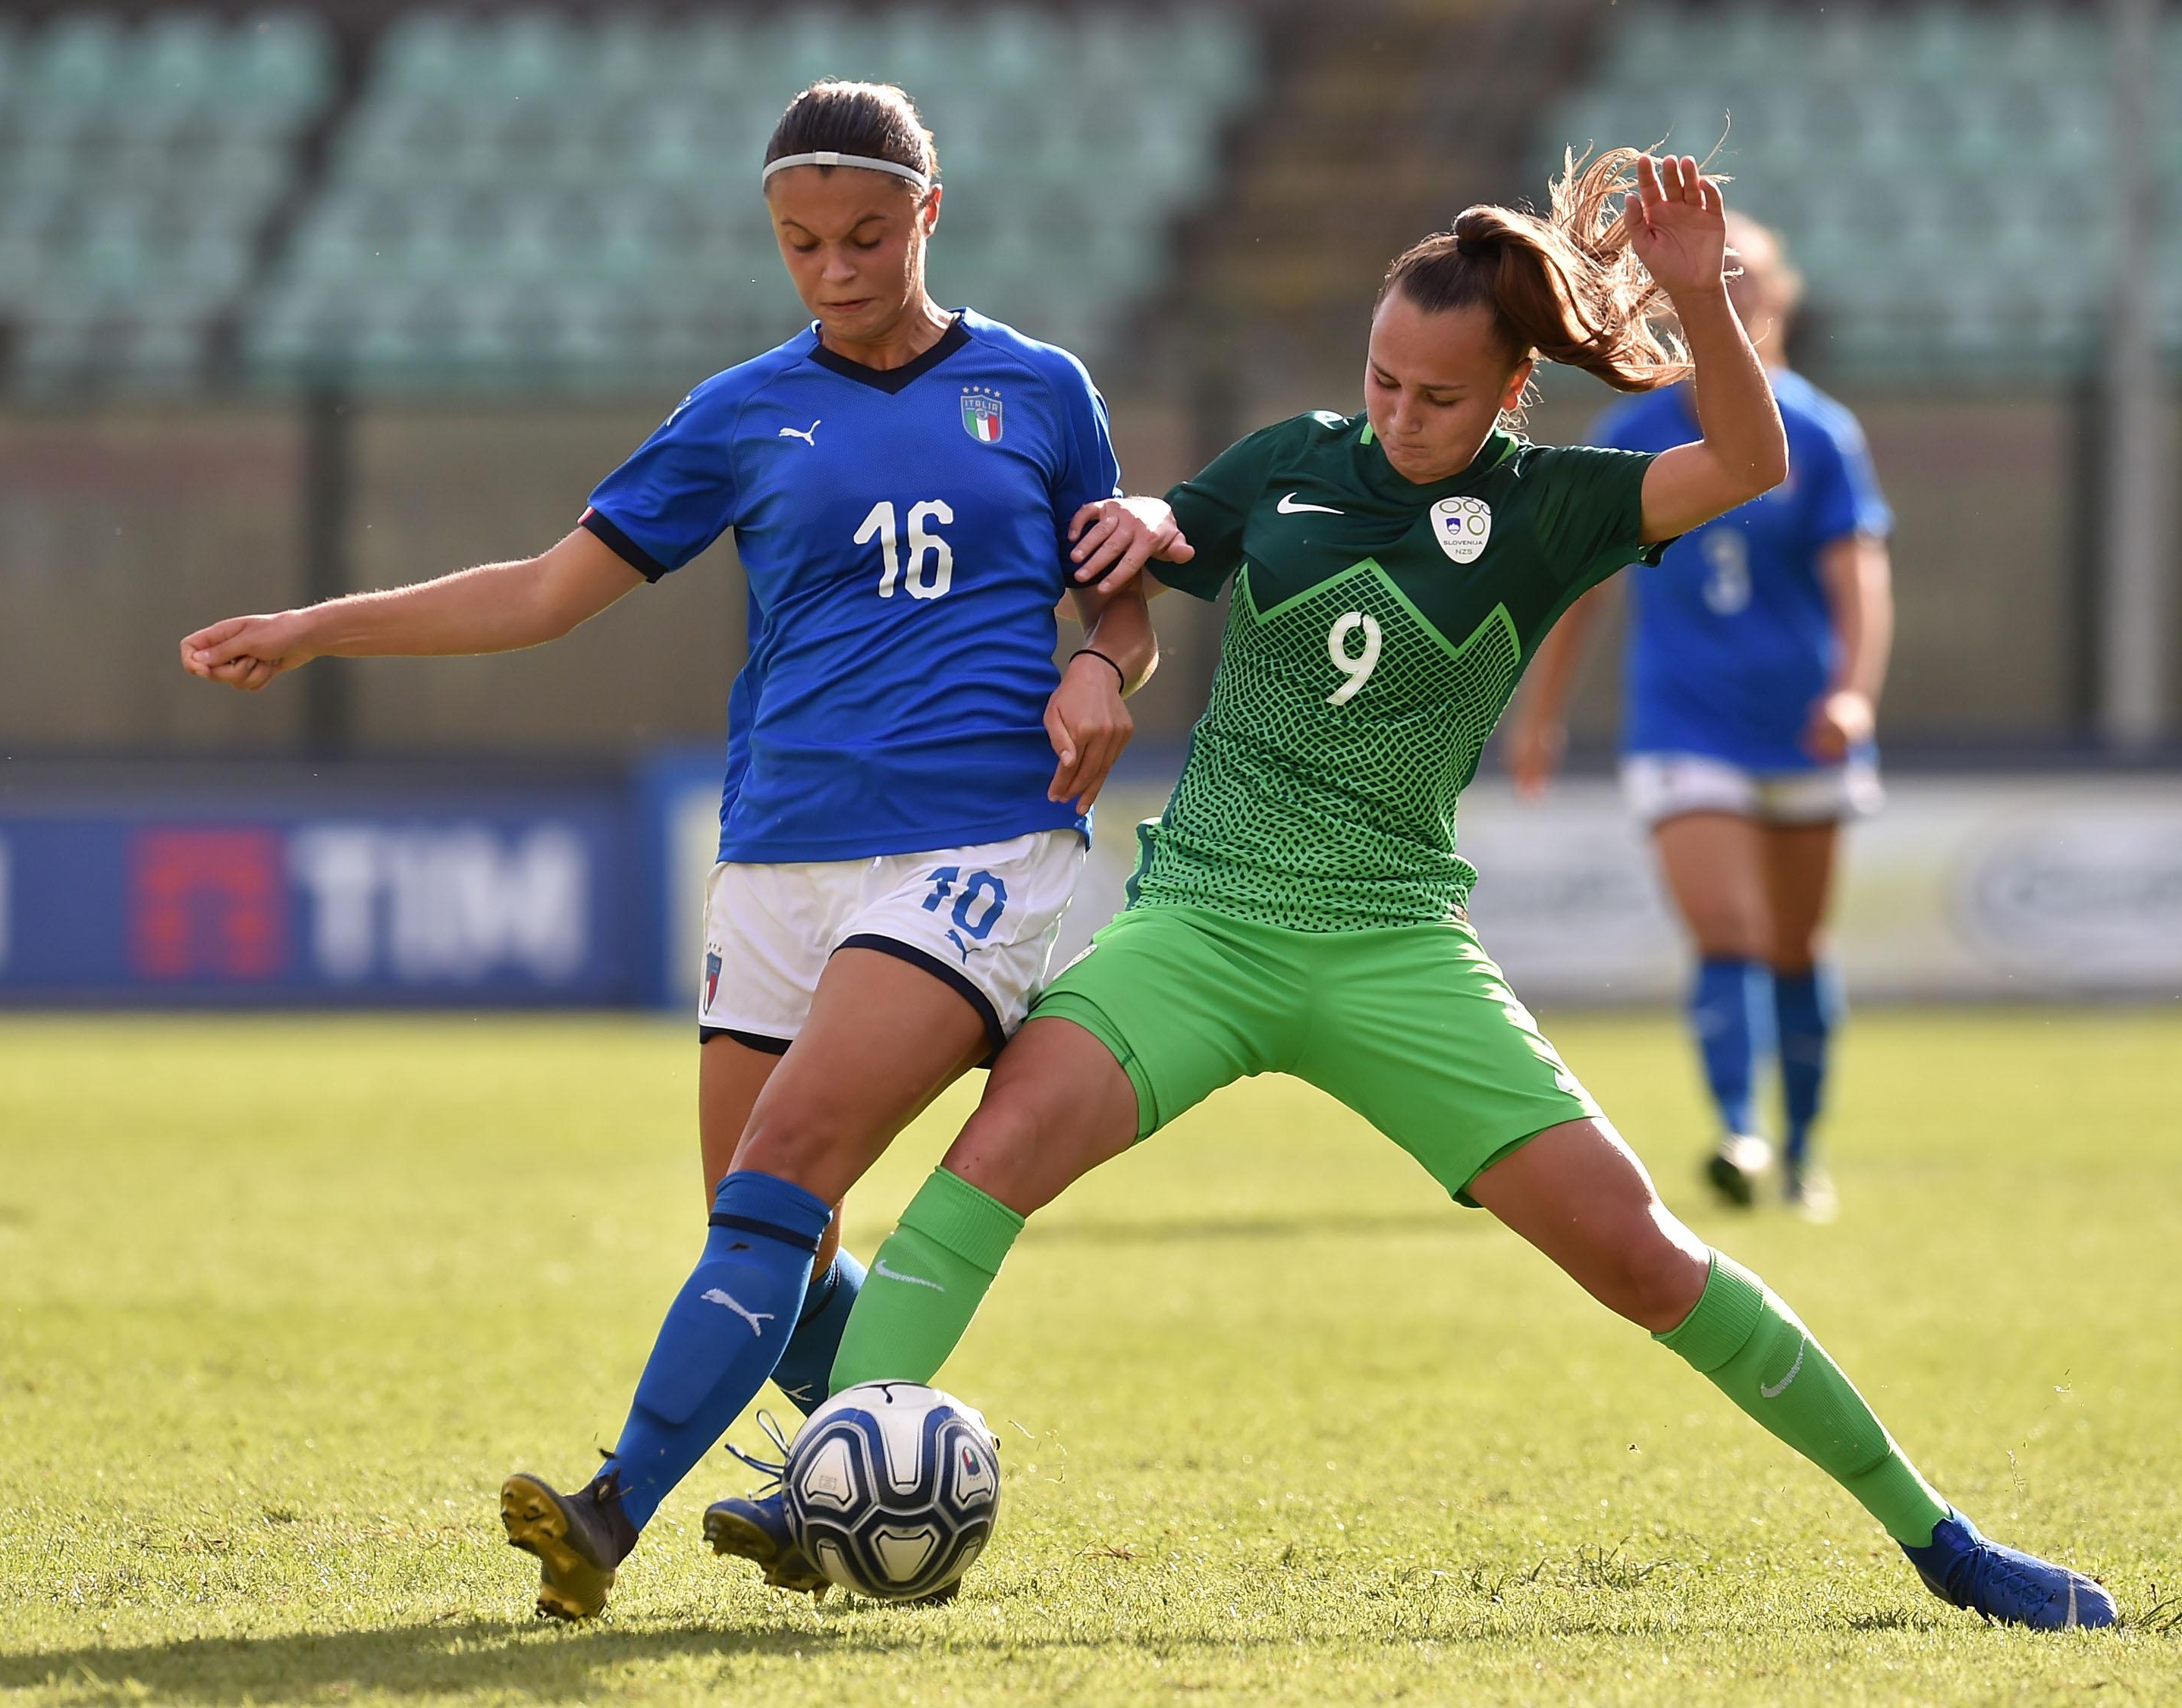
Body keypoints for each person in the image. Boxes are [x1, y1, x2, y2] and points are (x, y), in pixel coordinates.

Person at [755, 151, 2113, 1631]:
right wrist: (1128, 556)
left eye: (1440, 396)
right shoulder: (1290, 461)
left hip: (1396, 947)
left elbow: (1747, 462)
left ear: (1513, 395)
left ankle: (1943, 1539)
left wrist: (1700, 301)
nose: (1401, 414)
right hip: (1200, 924)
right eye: (1383, 380)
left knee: (1642, 1253)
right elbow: (1143, 547)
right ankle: (824, 1481)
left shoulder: (1551, 510)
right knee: (987, 1163)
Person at [179, 80, 1169, 1621]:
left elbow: (1119, 589)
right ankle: (889, 1480)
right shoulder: (742, 410)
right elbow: (540, 593)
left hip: (978, 839)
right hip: (778, 852)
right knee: (765, 1244)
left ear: (929, 211)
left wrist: (1109, 659)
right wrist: (321, 627)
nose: (833, 269)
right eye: (799, 244)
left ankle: (610, 1507)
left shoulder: (1041, 391)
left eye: (862, 235)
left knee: (784, 1166)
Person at [1506, 212, 1893, 1220]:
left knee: (1797, 945)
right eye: (1715, 279)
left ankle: (1805, 1149)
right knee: (1728, 927)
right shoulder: (1631, 435)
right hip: (1684, 725)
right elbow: (1578, 591)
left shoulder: (1820, 432)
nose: (1735, 294)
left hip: (1802, 724)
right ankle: (1741, 1130)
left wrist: (1852, 692)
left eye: (1751, 280)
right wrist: (1538, 714)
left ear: (1782, 298)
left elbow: (1861, 579)